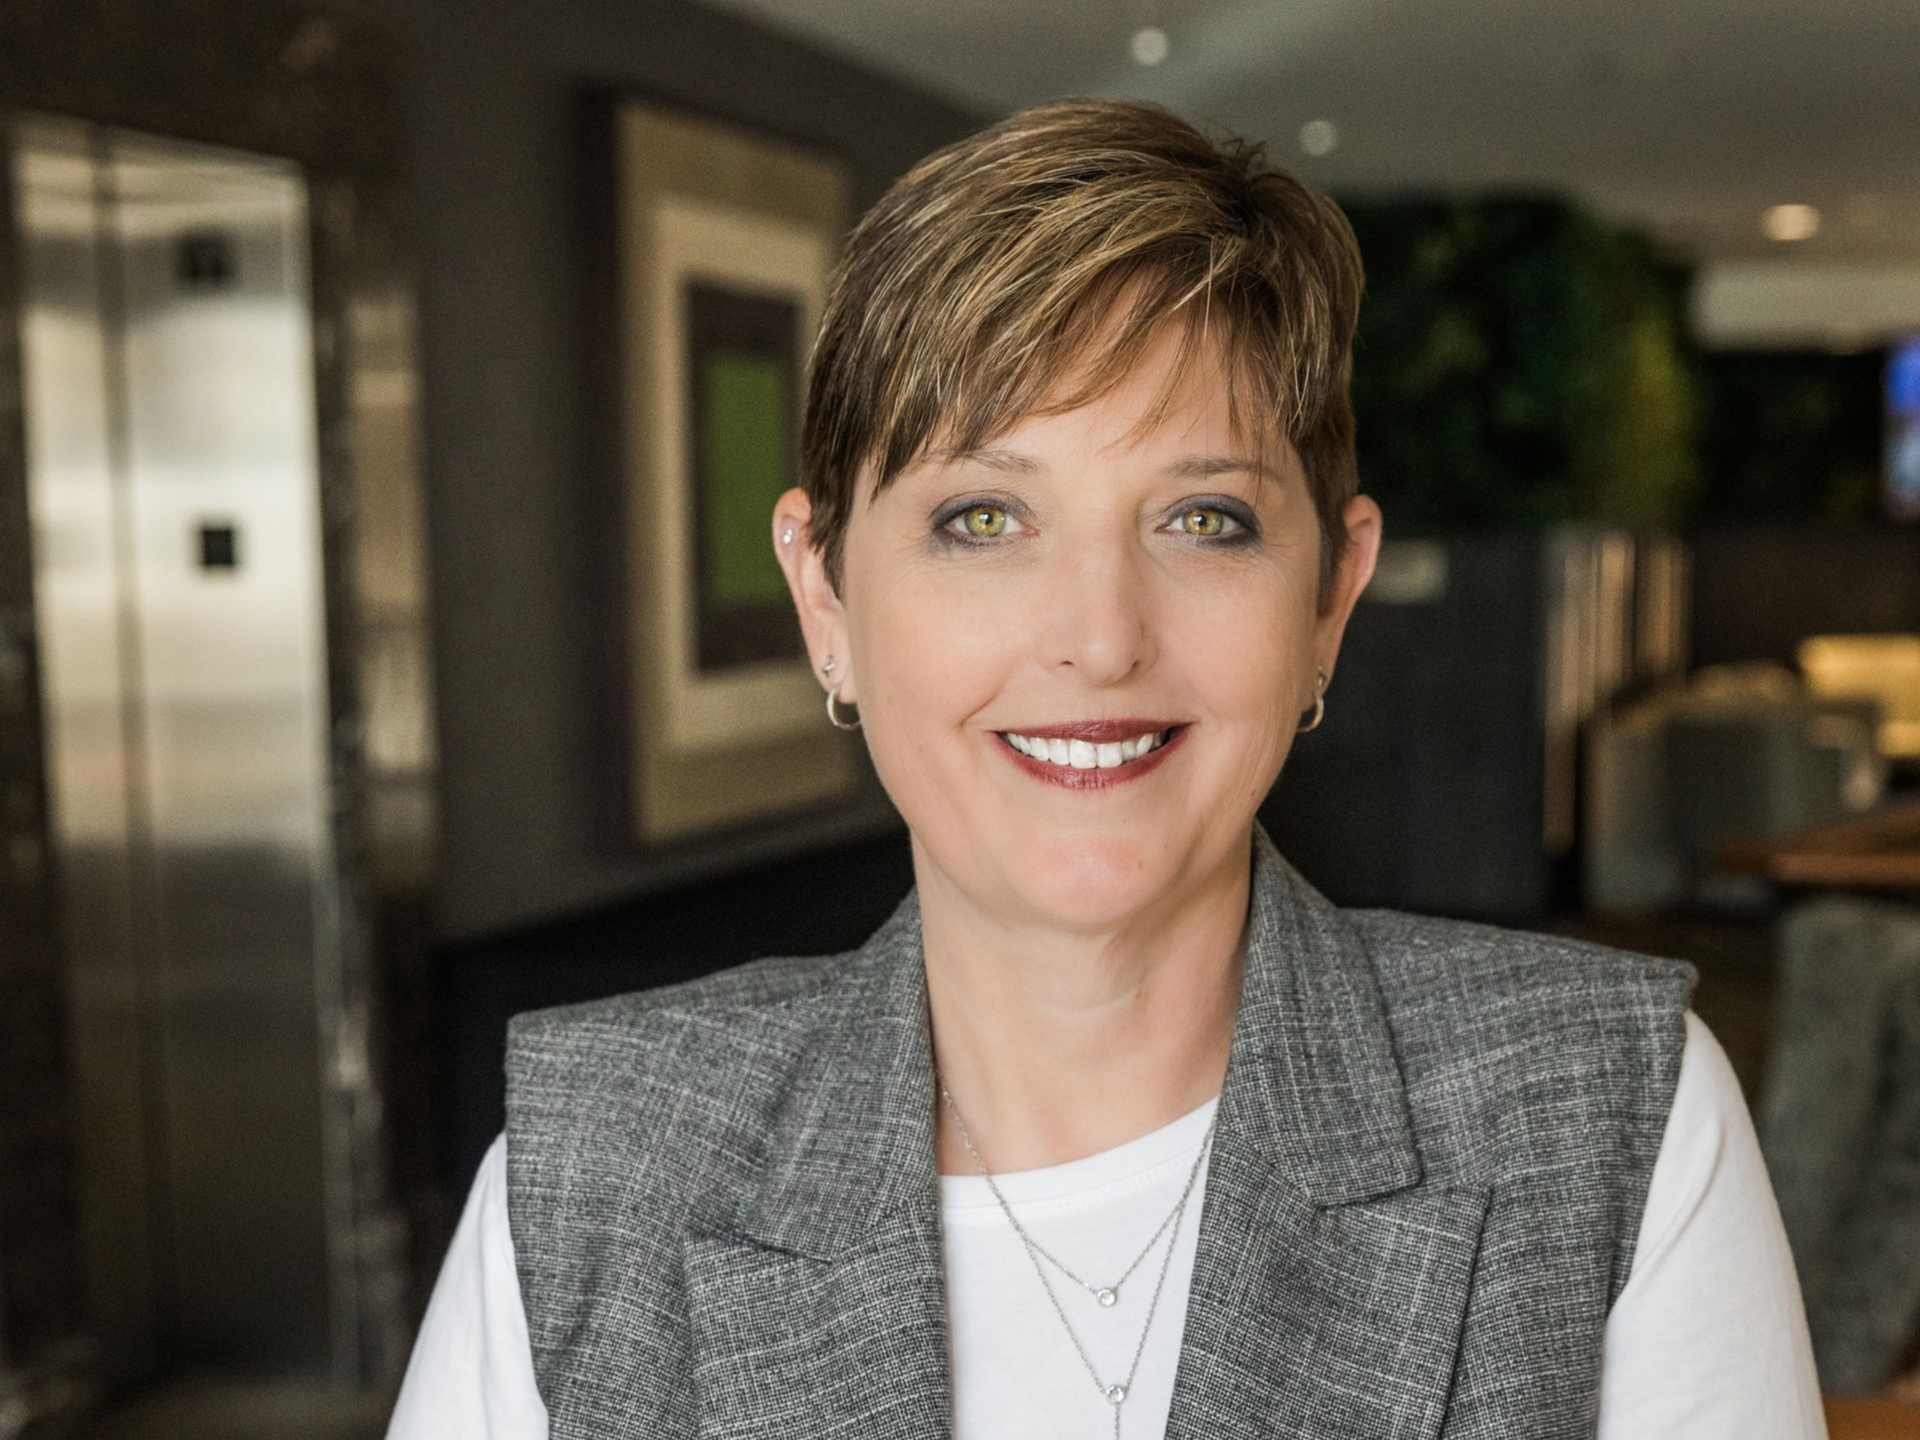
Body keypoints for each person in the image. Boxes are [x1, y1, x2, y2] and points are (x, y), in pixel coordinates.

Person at [387, 97, 1826, 1439]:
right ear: (825, 597)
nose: (1099, 639)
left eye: (1202, 520)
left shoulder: (1604, 1117)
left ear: (1330, 597)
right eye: (983, 519)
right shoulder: (600, 1171)